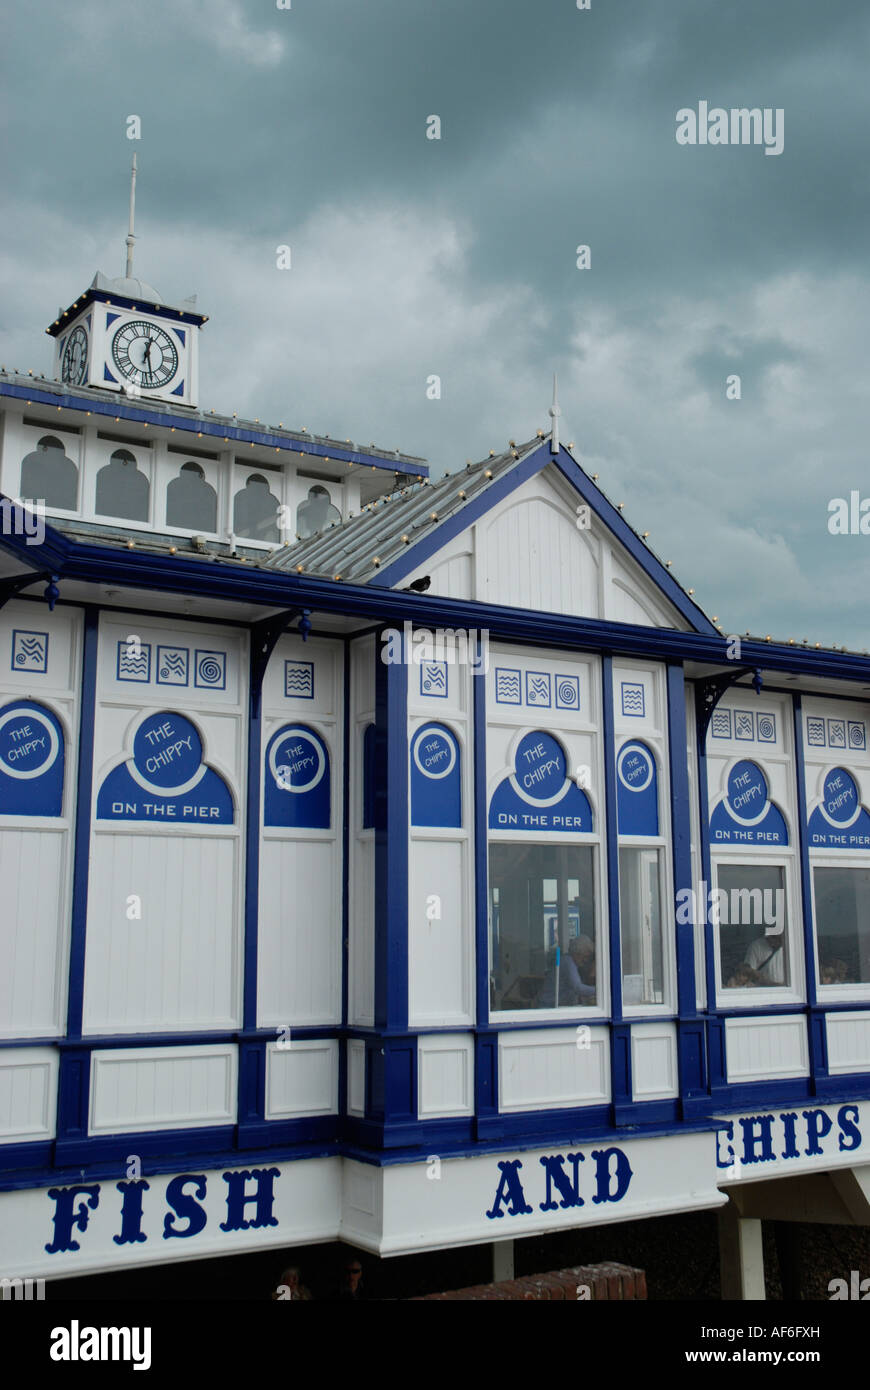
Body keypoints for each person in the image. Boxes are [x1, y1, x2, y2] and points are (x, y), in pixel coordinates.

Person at [540, 935, 596, 1006]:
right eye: (584, 956)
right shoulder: (568, 962)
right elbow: (578, 987)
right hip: (550, 1006)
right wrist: (599, 991)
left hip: (557, 1005)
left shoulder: (571, 962)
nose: (586, 960)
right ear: (576, 953)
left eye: (588, 957)